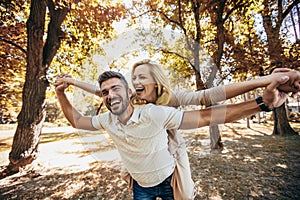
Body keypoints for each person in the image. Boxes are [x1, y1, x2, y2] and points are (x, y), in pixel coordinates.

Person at [56, 60, 300, 199]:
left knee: (183, 191)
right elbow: (105, 90)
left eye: (142, 77)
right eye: (133, 78)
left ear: (156, 81)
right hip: (142, 170)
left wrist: (266, 85)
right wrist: (70, 83)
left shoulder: (169, 101)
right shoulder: (128, 99)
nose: (136, 82)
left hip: (170, 156)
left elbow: (209, 102)